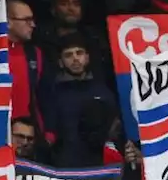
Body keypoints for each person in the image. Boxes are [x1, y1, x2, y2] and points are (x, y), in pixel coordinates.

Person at [48, 34, 119, 168]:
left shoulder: (103, 90)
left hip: (100, 166)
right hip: (63, 167)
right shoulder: (52, 93)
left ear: (87, 57)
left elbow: (115, 129)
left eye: (79, 53)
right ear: (60, 62)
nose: (75, 59)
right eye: (68, 55)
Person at [7, 0, 54, 144]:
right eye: (26, 20)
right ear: (8, 22)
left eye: (32, 20)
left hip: (29, 135)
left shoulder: (35, 54)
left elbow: (46, 96)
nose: (32, 25)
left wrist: (49, 133)